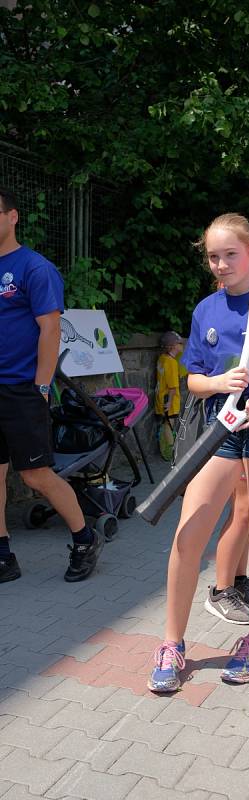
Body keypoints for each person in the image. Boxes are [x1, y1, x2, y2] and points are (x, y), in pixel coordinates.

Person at [148, 212, 249, 692]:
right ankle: (172, 644)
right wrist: (220, 383)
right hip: (220, 429)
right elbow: (194, 379)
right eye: (213, 257)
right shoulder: (206, 310)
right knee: (188, 532)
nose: (220, 264)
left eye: (230, 255)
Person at [0, 187, 104, 584]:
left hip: (22, 388)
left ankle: (84, 538)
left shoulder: (34, 268)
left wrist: (41, 387)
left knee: (35, 475)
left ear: (13, 217)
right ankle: (3, 555)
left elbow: (51, 328)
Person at [205, 472, 249, 625]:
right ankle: (221, 591)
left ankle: (238, 580)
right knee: (243, 510)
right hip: (243, 450)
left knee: (248, 510)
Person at [154, 331, 187, 420]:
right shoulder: (172, 363)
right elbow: (172, 387)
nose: (182, 345)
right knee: (168, 432)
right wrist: (169, 403)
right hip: (169, 405)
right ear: (173, 346)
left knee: (165, 431)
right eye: (180, 343)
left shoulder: (162, 358)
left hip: (160, 401)